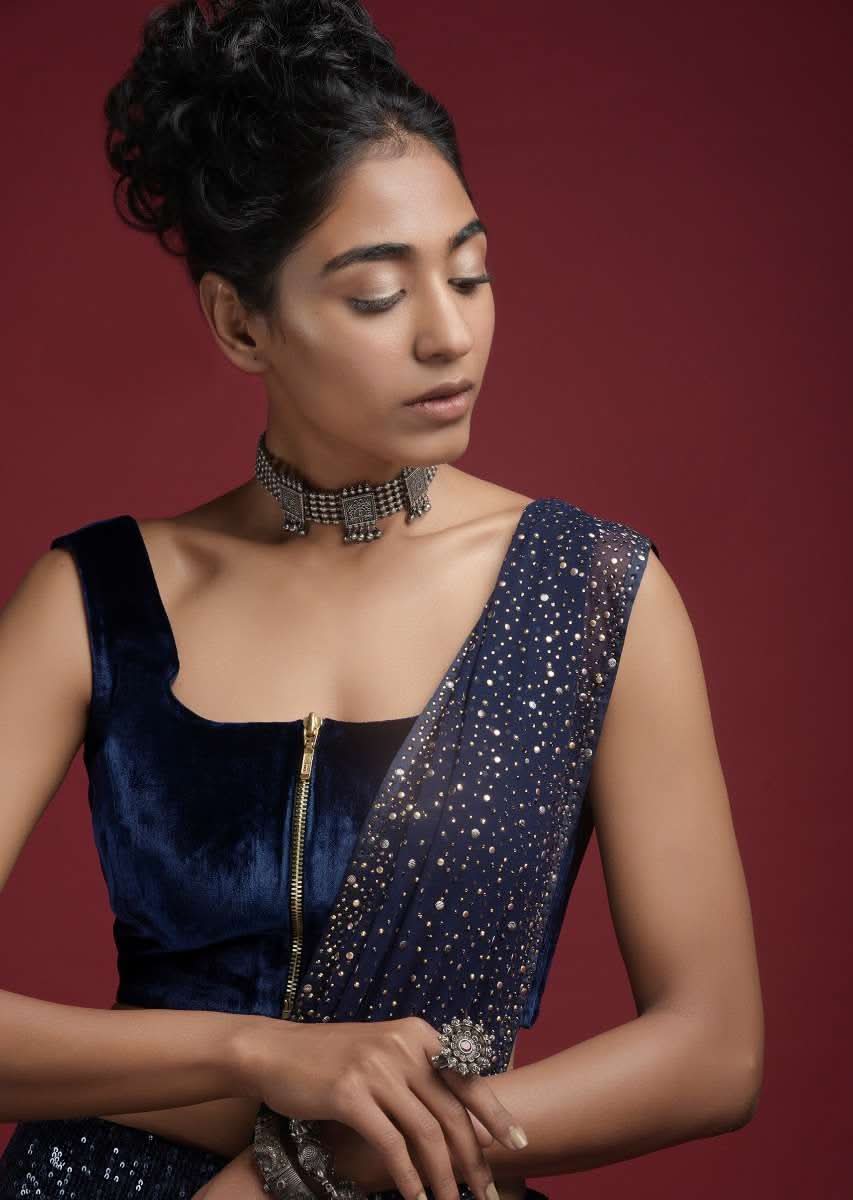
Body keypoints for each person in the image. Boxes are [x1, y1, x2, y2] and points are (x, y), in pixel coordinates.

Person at [0, 1, 764, 1197]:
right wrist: (251, 1052)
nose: (449, 334)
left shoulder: (593, 593)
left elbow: (713, 1052)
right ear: (240, 323)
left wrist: (311, 1169)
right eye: (375, 296)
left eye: (470, 274)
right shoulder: (91, 600)